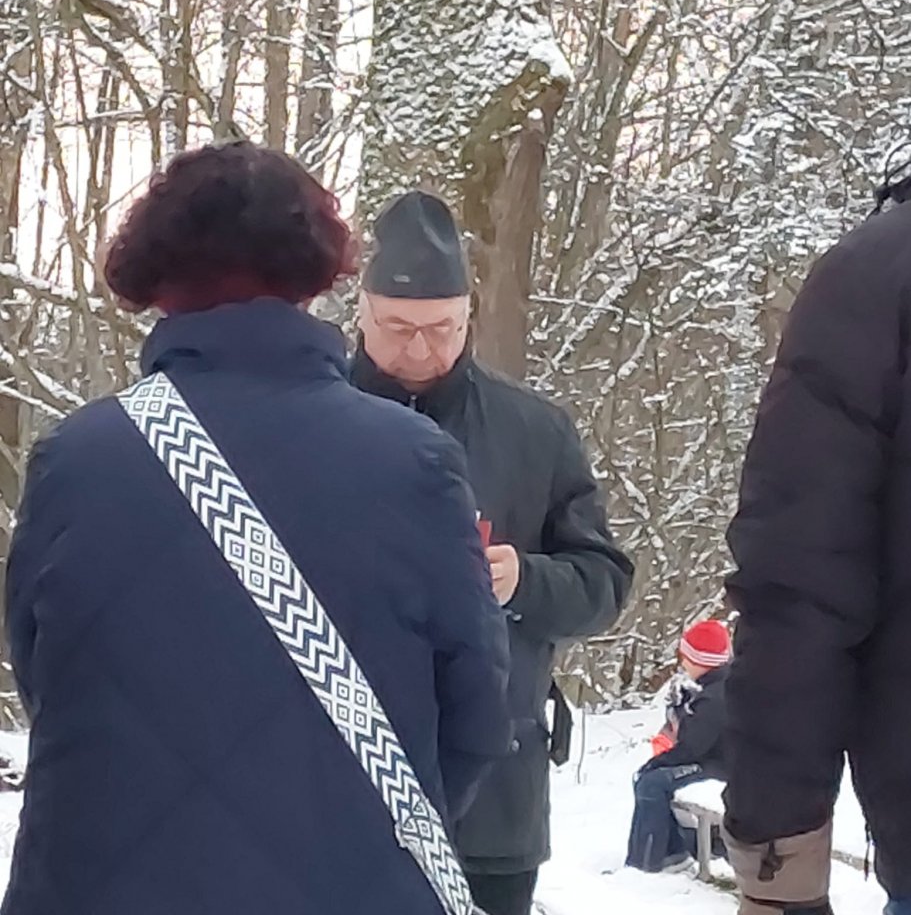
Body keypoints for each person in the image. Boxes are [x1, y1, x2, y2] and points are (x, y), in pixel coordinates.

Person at [3, 143, 511, 915]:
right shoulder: (413, 461)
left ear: (156, 277)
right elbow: (473, 711)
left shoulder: (74, 459)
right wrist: (371, 827)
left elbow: (45, 676)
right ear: (315, 273)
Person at [351, 190, 634, 915]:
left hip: (494, 800)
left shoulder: (534, 431)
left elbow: (604, 582)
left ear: (468, 314)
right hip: (337, 788)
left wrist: (524, 581)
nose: (421, 350)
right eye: (399, 328)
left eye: (442, 329)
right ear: (361, 312)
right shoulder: (306, 419)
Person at [724, 171, 911, 915]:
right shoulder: (880, 282)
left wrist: (777, 866)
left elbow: (799, 585)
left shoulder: (873, 275)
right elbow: (803, 582)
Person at [626, 619, 731, 873]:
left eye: (687, 657)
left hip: (722, 767)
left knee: (652, 782)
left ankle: (649, 862)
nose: (683, 663)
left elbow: (691, 747)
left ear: (701, 661)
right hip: (714, 760)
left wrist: (657, 762)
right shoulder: (711, 687)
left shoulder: (715, 697)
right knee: (650, 778)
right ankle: (671, 852)